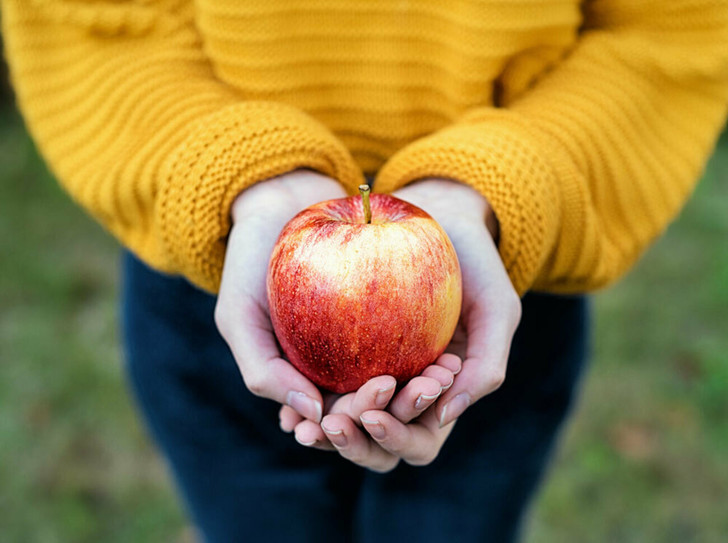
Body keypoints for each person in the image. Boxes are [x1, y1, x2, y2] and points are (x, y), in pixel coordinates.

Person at [3, 0, 727, 541]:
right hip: (227, 269)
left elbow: (674, 34)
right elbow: (84, 22)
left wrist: (499, 182)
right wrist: (239, 173)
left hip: (487, 296)